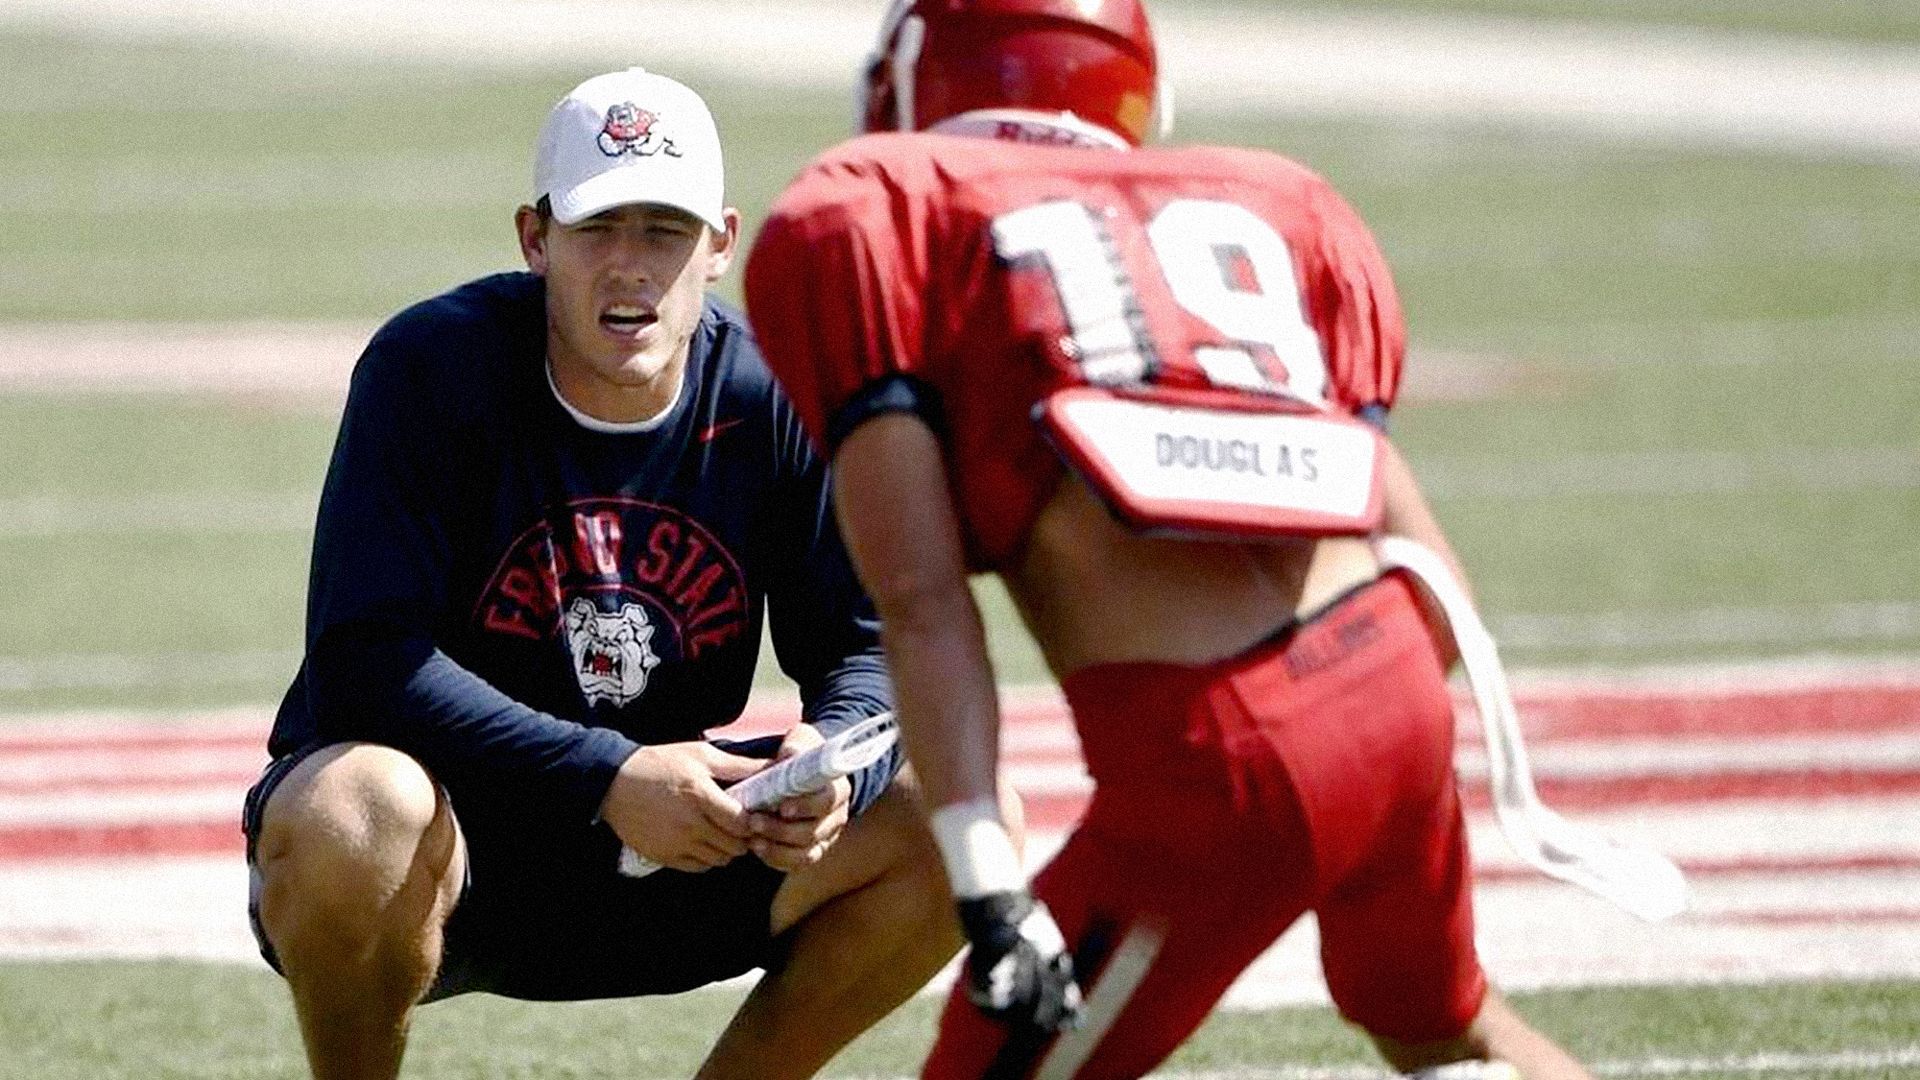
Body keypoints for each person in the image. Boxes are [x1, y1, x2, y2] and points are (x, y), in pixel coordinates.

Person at [744, 2, 1596, 1077]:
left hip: (1219, 758)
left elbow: (920, 600)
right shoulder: (1266, 205)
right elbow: (1420, 567)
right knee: (1445, 1031)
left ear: (912, 84)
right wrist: (1371, 761)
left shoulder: (880, 220)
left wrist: (985, 872)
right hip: (1395, 682)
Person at [244, 67, 959, 1080]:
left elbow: (867, 652)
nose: (630, 266)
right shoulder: (432, 369)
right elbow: (363, 659)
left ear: (721, 243)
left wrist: (837, 766)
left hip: (678, 844)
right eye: (597, 229)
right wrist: (606, 773)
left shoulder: (776, 392)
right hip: (456, 851)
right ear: (536, 239)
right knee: (352, 810)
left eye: (663, 232)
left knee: (957, 814)